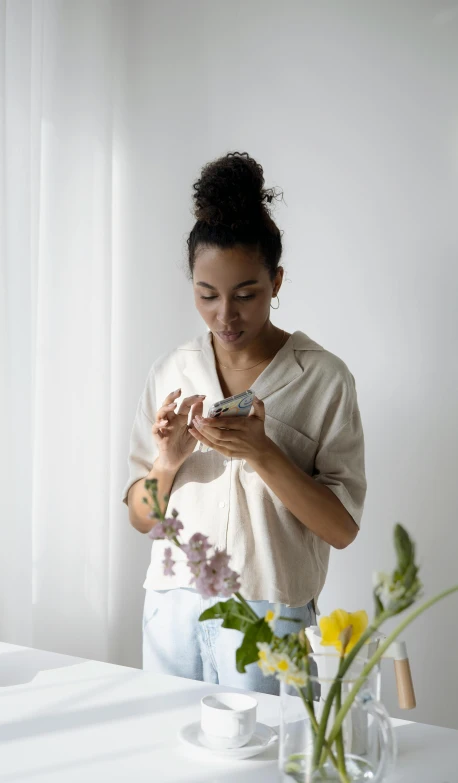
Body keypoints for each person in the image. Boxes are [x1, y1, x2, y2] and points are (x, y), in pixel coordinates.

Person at [122, 152, 366, 695]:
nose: (225, 315)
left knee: (265, 768)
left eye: (246, 295)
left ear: (276, 281)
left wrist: (264, 454)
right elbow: (142, 519)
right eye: (207, 295)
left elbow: (342, 529)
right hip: (171, 606)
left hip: (270, 616)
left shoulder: (323, 378)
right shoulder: (172, 371)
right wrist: (168, 460)